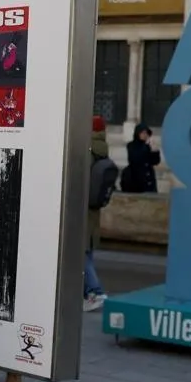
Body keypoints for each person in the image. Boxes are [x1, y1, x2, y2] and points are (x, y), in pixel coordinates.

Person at [85, 116, 115, 313]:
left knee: (81, 255)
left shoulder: (87, 150)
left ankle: (95, 292)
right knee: (86, 252)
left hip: (81, 210)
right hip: (93, 211)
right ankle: (87, 294)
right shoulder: (102, 150)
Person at [122, 124, 160, 193]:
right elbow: (135, 158)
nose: (145, 135)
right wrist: (146, 147)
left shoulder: (148, 145)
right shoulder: (131, 145)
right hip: (136, 180)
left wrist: (155, 151)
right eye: (143, 133)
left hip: (149, 180)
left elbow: (155, 161)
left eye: (146, 133)